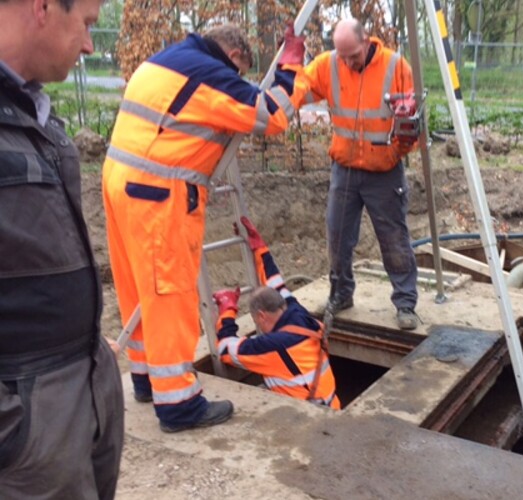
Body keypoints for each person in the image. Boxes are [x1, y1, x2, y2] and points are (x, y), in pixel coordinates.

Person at [102, 23, 309, 433]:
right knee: (169, 296)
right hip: (159, 195)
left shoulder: (163, 62)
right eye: (240, 72)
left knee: (137, 288)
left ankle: (147, 380)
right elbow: (272, 115)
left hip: (119, 183)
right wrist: (290, 66)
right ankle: (179, 404)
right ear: (232, 55)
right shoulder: (210, 74)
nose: (238, 82)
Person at [0, 0, 124, 498]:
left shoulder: (32, 109)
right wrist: (15, 429)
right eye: (88, 25)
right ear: (44, 7)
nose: (92, 45)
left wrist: (85, 346)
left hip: (79, 386)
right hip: (29, 421)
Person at [302, 19, 420, 330]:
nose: (349, 62)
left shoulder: (396, 66)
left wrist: (400, 148)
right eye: (343, 57)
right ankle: (341, 293)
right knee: (338, 236)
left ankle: (405, 302)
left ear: (366, 41)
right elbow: (298, 91)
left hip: (384, 171)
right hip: (345, 170)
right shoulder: (328, 65)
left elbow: (416, 120)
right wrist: (287, 68)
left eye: (353, 55)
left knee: (393, 238)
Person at [213, 217, 341, 409]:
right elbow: (275, 283)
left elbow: (224, 349)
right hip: (332, 405)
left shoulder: (272, 346)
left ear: (262, 316)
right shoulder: (297, 312)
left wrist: (227, 309)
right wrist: (259, 248)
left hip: (311, 422)